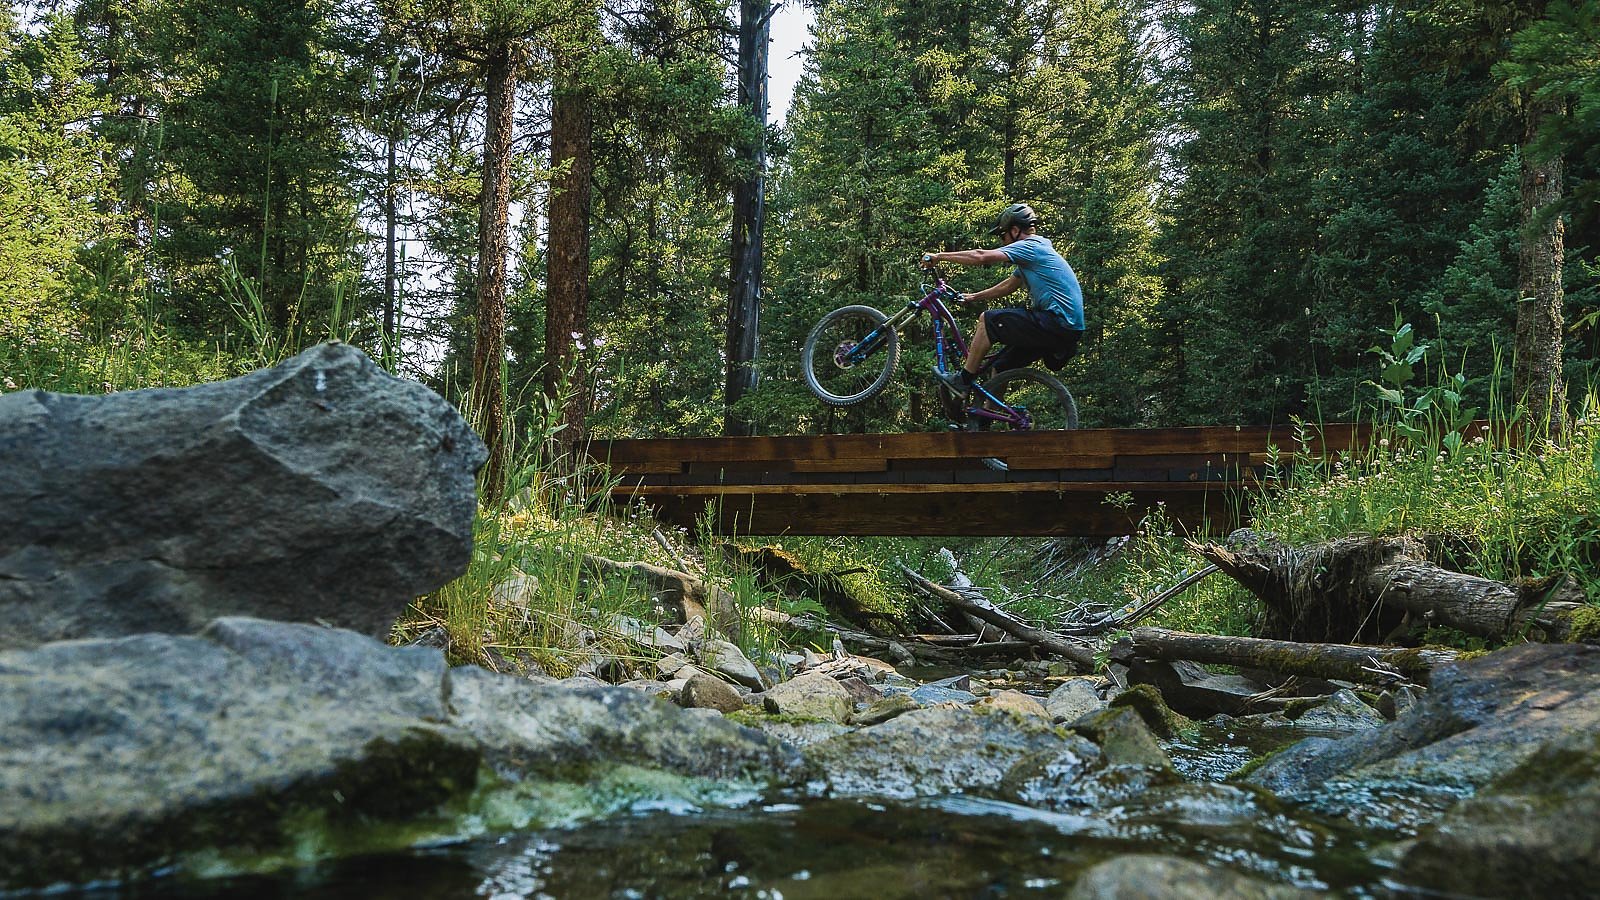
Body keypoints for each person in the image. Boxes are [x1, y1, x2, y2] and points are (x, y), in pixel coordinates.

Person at [920, 202, 1084, 396]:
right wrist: (973, 297)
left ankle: (962, 380)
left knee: (988, 320)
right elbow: (1008, 286)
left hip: (1057, 322)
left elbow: (980, 256)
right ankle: (984, 422)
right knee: (1002, 367)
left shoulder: (1030, 247)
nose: (1002, 242)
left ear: (1015, 230)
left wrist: (938, 256)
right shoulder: (1035, 254)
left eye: (1002, 235)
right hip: (1066, 328)